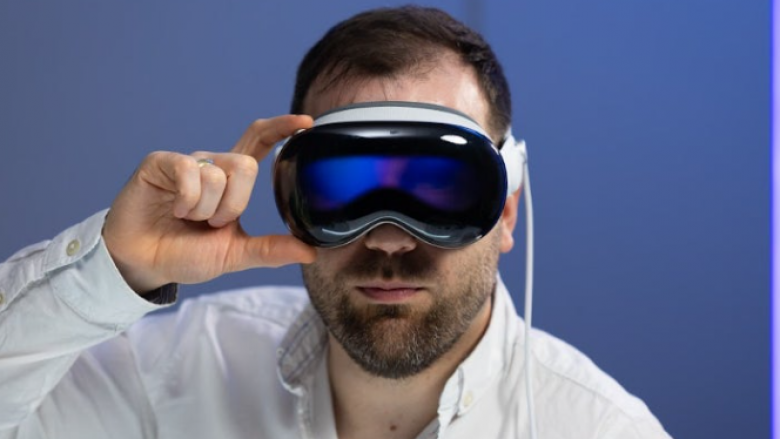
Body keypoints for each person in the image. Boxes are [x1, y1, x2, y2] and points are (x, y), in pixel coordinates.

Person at [0, 6, 672, 439]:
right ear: (289, 197)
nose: (388, 238)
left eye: (438, 188)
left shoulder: (599, 428)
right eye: (345, 189)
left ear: (505, 209)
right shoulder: (174, 375)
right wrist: (113, 269)